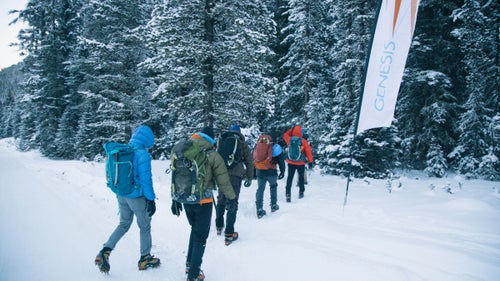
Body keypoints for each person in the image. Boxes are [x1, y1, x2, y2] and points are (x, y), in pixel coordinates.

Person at [171, 126, 236, 281]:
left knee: (195, 230)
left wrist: (174, 198)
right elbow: (223, 181)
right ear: (211, 139)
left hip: (186, 199)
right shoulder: (213, 155)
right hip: (204, 201)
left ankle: (189, 264)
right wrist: (232, 198)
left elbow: (175, 174)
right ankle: (194, 274)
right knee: (201, 237)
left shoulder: (183, 150)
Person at [95, 125, 160, 273]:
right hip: (136, 197)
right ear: (148, 138)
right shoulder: (142, 154)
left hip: (121, 194)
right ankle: (145, 258)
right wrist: (151, 199)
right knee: (144, 226)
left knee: (123, 224)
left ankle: (105, 251)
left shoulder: (125, 150)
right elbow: (146, 180)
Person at [215, 124, 254, 245]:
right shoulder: (242, 143)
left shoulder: (223, 141)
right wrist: (249, 177)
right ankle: (229, 234)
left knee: (221, 199)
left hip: (222, 174)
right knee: (233, 201)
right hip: (235, 176)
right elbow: (249, 161)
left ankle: (219, 226)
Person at [254, 132, 286, 218]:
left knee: (260, 189)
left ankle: (259, 209)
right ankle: (273, 205)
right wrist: (282, 171)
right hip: (271, 171)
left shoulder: (258, 144)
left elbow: (255, 158)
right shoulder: (274, 146)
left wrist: (254, 171)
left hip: (260, 171)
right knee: (273, 186)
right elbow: (281, 160)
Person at [283, 125, 313, 202]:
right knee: (301, 177)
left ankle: (288, 194)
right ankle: (301, 192)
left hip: (291, 162)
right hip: (300, 163)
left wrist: (291, 129)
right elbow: (308, 152)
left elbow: (285, 134)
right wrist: (310, 162)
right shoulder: (303, 141)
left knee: (290, 178)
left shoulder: (289, 139)